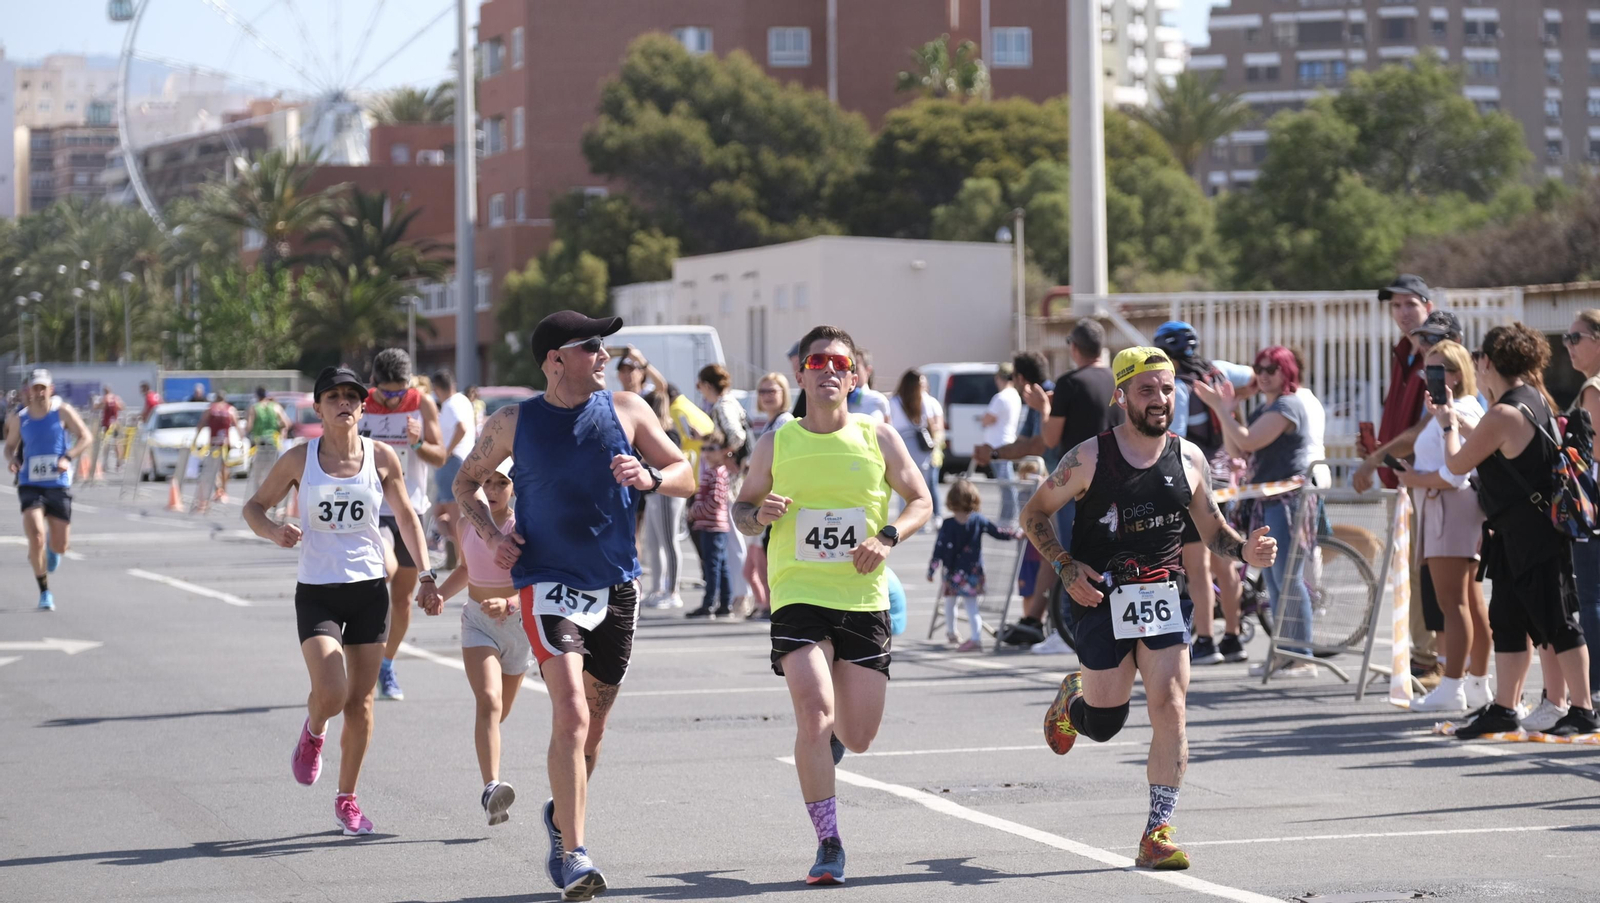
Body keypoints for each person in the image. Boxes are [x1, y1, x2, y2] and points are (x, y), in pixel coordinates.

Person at [452, 310, 694, 901]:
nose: (605, 356)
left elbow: (685, 471)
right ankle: (575, 852)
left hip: (615, 585)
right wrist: (491, 536)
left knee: (595, 726)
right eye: (591, 345)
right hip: (547, 583)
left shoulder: (630, 409)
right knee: (571, 712)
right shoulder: (514, 421)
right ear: (555, 359)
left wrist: (650, 479)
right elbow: (465, 483)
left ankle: (561, 818)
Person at [1025, 347, 1276, 870]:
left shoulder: (1189, 458)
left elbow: (1212, 530)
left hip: (1163, 594)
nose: (1161, 399)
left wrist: (1244, 550)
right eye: (1147, 390)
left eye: (1167, 389)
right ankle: (1072, 701)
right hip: (1100, 596)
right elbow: (1035, 514)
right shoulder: (1089, 458)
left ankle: (1157, 831)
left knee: (1171, 706)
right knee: (1104, 724)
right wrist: (1067, 567)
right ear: (1121, 396)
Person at [733, 324, 932, 886]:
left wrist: (887, 536)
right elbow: (741, 511)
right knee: (813, 712)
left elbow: (922, 499)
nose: (828, 371)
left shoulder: (879, 437)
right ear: (800, 373)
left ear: (855, 375)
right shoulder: (777, 441)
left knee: (860, 735)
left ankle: (833, 745)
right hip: (797, 594)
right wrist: (759, 515)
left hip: (863, 599)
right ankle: (828, 842)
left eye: (839, 364)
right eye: (817, 362)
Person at [242, 366, 442, 836]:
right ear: (319, 407)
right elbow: (253, 507)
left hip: (370, 590)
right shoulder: (298, 459)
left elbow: (409, 519)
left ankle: (347, 798)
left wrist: (428, 573)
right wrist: (274, 531)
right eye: (334, 397)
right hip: (318, 592)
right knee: (331, 694)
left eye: (352, 396)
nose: (344, 404)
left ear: (363, 405)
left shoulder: (382, 457)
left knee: (362, 704)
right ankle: (313, 731)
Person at [1436, 324, 1598, 738]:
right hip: (1516, 530)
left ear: (1488, 361)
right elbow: (1501, 448)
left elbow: (1456, 465)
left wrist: (1447, 425)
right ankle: (1506, 707)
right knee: (1508, 617)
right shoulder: (1530, 401)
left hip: (1532, 533)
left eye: (1479, 357)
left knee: (1556, 619)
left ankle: (1581, 708)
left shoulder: (1504, 412)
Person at [1194, 346, 1316, 677]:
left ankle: (1301, 655)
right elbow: (1236, 448)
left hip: (1287, 503)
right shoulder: (1268, 407)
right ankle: (1284, 652)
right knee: (1274, 582)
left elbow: (1246, 442)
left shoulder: (1287, 405)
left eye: (1271, 368)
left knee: (1288, 580)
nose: (1262, 374)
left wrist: (1222, 408)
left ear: (1287, 372)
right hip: (1269, 502)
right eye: (1259, 368)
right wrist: (1226, 411)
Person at [432, 456, 532, 826]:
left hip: (519, 625)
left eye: (500, 483)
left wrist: (508, 602)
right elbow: (464, 568)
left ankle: (491, 776)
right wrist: (440, 594)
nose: (491, 491)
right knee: (488, 702)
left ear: (513, 488)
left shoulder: (524, 527)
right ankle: (491, 788)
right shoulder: (466, 522)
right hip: (478, 623)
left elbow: (538, 582)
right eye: (485, 482)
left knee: (498, 713)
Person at [1355, 276, 1444, 685]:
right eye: (1396, 306)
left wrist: (1375, 458)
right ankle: (1425, 658)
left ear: (1428, 304)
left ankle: (1432, 662)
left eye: (1410, 303)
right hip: (1403, 479)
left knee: (1428, 573)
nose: (1403, 313)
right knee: (1411, 574)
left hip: (1428, 480)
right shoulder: (1404, 352)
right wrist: (1377, 450)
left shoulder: (1435, 352)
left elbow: (1427, 427)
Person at [1151, 321, 1254, 666]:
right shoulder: (1218, 371)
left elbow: (1173, 438)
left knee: (1197, 565)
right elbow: (1254, 377)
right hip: (1228, 476)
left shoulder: (1178, 387)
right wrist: (1232, 401)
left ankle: (1207, 641)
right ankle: (1234, 638)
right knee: (1225, 559)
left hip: (1196, 479)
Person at [1400, 340, 1491, 713]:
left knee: (1453, 604)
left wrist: (1415, 480)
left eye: (1437, 370)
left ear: (1457, 373)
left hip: (1449, 509)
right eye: (1426, 370)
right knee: (1468, 602)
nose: (1430, 377)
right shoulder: (1456, 409)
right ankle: (1475, 684)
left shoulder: (1460, 409)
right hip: (1448, 509)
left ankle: (1453, 683)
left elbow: (1455, 474)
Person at [362, 348, 449, 702]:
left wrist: (418, 442)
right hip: (373, 508)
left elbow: (440, 456)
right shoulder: (361, 403)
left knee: (402, 602)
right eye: (388, 392)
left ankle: (386, 664)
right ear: (374, 384)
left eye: (401, 391)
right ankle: (362, 650)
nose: (395, 399)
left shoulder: (422, 403)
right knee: (387, 567)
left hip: (411, 510)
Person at [977, 352, 1057, 649]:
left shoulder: (1046, 397)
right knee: (1051, 549)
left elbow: (1038, 443)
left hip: (1067, 484)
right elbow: (1025, 443)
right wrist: (994, 454)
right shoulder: (1036, 400)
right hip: (1056, 484)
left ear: (1021, 379)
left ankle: (1046, 621)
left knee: (1056, 549)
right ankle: (1035, 618)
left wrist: (995, 454)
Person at [6, 370, 91, 611]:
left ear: (50, 389)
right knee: (36, 535)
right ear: (29, 391)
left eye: (43, 387)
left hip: (58, 483)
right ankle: (44, 591)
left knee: (60, 545)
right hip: (30, 483)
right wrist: (12, 459)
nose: (39, 392)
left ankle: (53, 553)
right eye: (35, 388)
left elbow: (86, 436)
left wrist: (68, 457)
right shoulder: (20, 418)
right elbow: (10, 447)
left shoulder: (61, 411)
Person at [928, 478, 1019, 651]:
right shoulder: (978, 520)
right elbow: (997, 532)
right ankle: (976, 638)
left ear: (951, 500)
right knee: (971, 606)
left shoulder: (948, 524)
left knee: (949, 603)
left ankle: (951, 632)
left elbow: (938, 549)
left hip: (952, 572)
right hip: (972, 572)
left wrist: (931, 569)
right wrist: (1015, 534)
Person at [1564, 309, 1600, 708]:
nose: (1569, 347)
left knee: (1589, 596)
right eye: (1566, 340)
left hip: (1594, 503)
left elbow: (1596, 454)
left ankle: (1593, 687)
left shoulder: (1593, 387)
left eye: (1576, 338)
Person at [746, 373, 795, 620]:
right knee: (756, 561)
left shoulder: (784, 423)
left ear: (784, 393)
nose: (766, 396)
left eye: (772, 391)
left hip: (776, 500)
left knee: (764, 558)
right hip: (765, 500)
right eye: (762, 391)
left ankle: (772, 605)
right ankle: (767, 603)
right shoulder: (770, 422)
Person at [686, 432, 735, 619]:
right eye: (703, 449)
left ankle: (709, 603)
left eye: (711, 449)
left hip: (713, 526)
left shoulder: (717, 473)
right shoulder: (713, 472)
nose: (706, 453)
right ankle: (725, 602)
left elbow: (715, 500)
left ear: (723, 451)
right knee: (720, 565)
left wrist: (695, 511)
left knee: (712, 566)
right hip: (712, 526)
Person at [888, 369, 945, 527]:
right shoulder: (925, 400)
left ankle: (904, 520)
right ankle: (923, 520)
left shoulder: (894, 401)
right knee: (923, 487)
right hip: (920, 447)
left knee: (904, 486)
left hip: (900, 445)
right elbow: (931, 424)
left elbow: (889, 424)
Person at [433, 369, 477, 567]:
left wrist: (446, 452)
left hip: (453, 460)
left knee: (451, 513)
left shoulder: (450, 405)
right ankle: (456, 550)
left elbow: (461, 427)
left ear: (437, 388)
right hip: (464, 458)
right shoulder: (463, 401)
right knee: (440, 511)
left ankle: (462, 559)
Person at [981, 363, 1023, 525]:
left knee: (1006, 483)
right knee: (1006, 482)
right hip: (1006, 442)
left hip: (997, 445)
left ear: (1000, 378)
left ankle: (1009, 516)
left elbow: (987, 419)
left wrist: (984, 419)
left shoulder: (1001, 397)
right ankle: (1009, 515)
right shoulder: (1014, 395)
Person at [190, 392, 239, 508]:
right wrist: (241, 439)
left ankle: (218, 489)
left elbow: (201, 423)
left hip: (214, 442)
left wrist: (195, 438)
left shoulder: (211, 409)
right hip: (226, 442)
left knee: (213, 467)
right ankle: (223, 490)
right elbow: (236, 424)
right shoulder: (230, 409)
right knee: (225, 467)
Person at [246, 387, 288, 494]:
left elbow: (249, 426)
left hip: (260, 443)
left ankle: (260, 496)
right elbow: (286, 422)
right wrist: (279, 429)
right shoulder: (275, 406)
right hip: (273, 442)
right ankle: (273, 494)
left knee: (258, 472)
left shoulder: (254, 408)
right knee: (272, 471)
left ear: (257, 396)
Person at [848, 349, 892, 422]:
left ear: (868, 370)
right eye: (849, 368)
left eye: (856, 369)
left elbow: (888, 426)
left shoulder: (877, 399)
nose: (852, 373)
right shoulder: (841, 399)